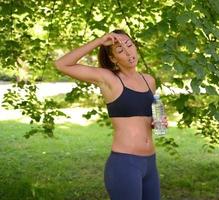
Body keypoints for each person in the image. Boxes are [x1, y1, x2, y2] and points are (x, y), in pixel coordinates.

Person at [54, 29, 168, 200]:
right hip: (125, 164)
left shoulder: (149, 80)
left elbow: (144, 116)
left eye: (130, 45)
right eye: (121, 50)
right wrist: (99, 41)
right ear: (114, 59)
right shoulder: (109, 79)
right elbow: (62, 64)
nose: (129, 52)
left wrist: (156, 122)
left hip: (150, 162)